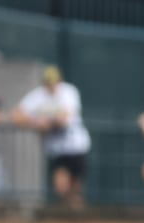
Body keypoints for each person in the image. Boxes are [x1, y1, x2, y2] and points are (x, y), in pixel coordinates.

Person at [15, 66, 90, 209]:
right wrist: (35, 122)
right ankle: (70, 207)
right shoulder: (38, 95)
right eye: (48, 82)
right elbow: (17, 116)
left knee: (75, 184)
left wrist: (45, 122)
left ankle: (75, 209)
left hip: (75, 146)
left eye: (54, 82)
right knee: (60, 185)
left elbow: (65, 118)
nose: (52, 85)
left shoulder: (69, 91)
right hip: (56, 149)